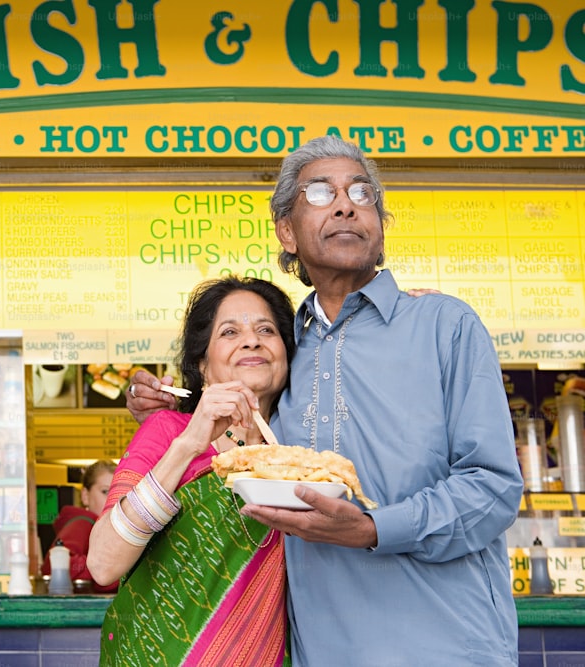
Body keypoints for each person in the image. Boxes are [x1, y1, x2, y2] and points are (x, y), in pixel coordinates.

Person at [128, 135, 522, 666]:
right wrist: (163, 402)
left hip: (447, 644)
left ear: (380, 231)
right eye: (320, 192)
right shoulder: (285, 349)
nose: (345, 204)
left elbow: (494, 488)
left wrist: (374, 529)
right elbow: (230, 415)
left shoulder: (444, 326)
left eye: (363, 194)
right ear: (287, 232)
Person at [88, 276, 296, 667]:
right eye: (230, 331)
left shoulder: (303, 454)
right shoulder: (167, 432)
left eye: (266, 330)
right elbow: (102, 564)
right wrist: (187, 447)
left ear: (287, 355)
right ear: (203, 365)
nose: (251, 340)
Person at [41, 459, 119, 593]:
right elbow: (54, 565)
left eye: (119, 492)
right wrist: (115, 566)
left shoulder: (103, 527)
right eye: (105, 492)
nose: (113, 499)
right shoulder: (83, 522)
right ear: (85, 496)